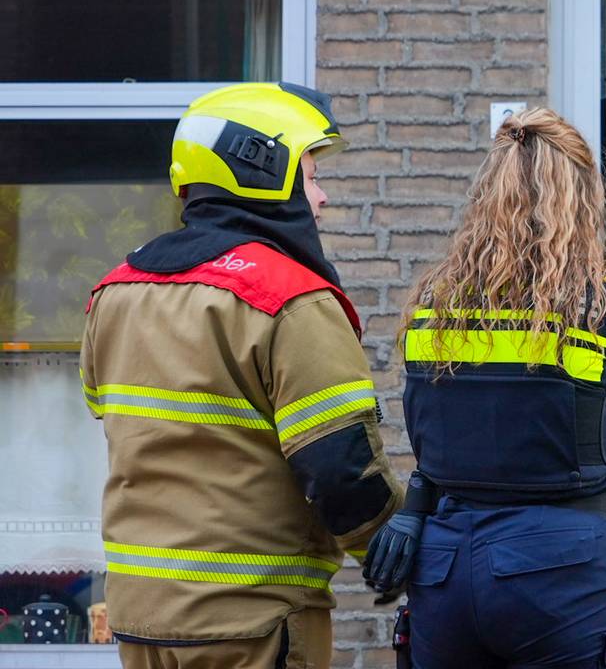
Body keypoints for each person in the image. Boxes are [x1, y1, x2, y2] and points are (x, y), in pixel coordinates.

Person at [79, 82, 403, 668]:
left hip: (141, 620)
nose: (322, 197)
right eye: (311, 175)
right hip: (251, 623)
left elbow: (111, 412)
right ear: (265, 170)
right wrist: (400, 551)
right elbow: (340, 468)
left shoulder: (114, 292)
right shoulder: (290, 300)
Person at [362, 108, 606, 669]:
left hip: (446, 569)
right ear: (584, 201)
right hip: (568, 577)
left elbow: (433, 440)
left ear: (486, 196)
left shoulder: (432, 311)